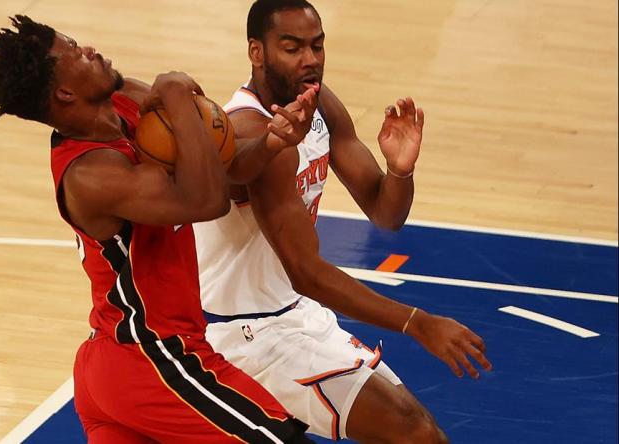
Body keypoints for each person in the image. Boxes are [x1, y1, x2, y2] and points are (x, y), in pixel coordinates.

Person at [0, 15, 321, 444]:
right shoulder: (89, 174)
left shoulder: (123, 101)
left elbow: (226, 170)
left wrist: (271, 141)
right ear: (65, 92)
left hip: (121, 360)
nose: (90, 49)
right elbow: (206, 201)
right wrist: (176, 96)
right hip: (152, 357)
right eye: (74, 52)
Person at [194, 1, 493, 443]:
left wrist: (400, 169)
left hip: (292, 313)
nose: (310, 59)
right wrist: (417, 322)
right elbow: (305, 271)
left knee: (419, 433)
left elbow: (386, 213)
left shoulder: (320, 104)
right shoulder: (252, 128)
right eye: (292, 47)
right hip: (246, 335)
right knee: (415, 434)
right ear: (257, 52)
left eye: (317, 46)